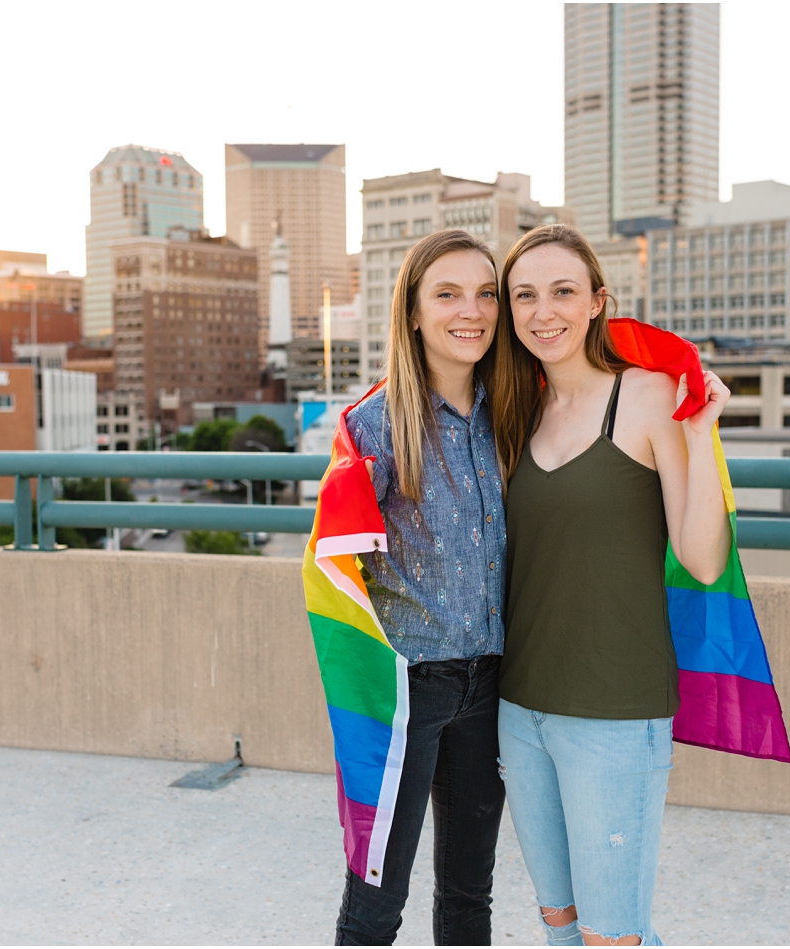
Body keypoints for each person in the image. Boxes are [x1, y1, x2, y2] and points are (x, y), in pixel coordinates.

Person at [490, 225, 733, 946]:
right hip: (518, 705)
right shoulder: (514, 407)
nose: (543, 311)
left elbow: (703, 561)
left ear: (598, 301)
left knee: (611, 935)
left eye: (563, 291)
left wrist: (698, 435)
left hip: (614, 713)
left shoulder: (650, 396)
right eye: (524, 295)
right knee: (558, 923)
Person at [335, 229, 508, 945]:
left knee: (470, 896)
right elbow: (333, 565)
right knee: (377, 896)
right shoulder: (372, 424)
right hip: (409, 687)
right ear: (411, 311)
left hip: (496, 681)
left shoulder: (515, 414)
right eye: (446, 293)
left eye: (485, 293)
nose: (470, 310)